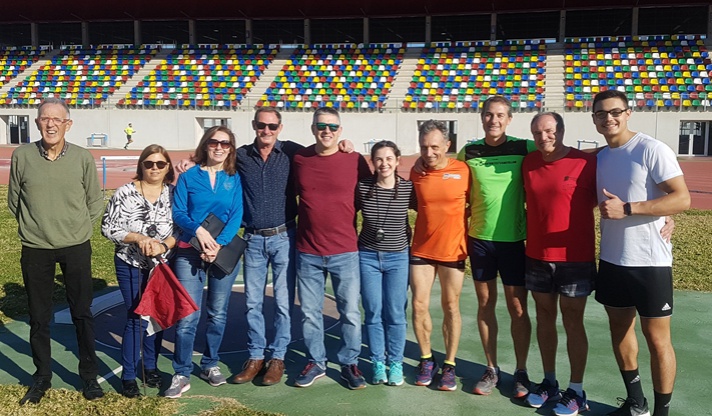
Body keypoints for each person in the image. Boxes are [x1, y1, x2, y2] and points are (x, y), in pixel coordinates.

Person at [592, 90, 690, 416]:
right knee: (619, 330)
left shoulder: (651, 149)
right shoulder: (600, 156)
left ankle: (661, 413)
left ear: (629, 112)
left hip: (650, 263)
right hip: (611, 259)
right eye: (602, 114)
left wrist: (631, 209)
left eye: (615, 112)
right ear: (594, 119)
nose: (609, 119)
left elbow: (682, 198)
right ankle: (637, 404)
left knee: (657, 340)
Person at [8, 97, 105, 404]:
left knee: (82, 313)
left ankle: (89, 376)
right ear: (37, 123)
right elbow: (14, 201)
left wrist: (74, 229)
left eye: (56, 119)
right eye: (44, 119)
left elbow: (94, 202)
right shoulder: (21, 155)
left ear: (67, 124)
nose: (50, 124)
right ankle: (42, 377)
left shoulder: (82, 157)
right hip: (35, 248)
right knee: (39, 317)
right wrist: (38, 227)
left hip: (76, 246)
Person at [459, 96, 536, 398]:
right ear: (482, 118)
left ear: (509, 119)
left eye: (500, 115)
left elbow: (560, 157)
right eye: (489, 115)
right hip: (480, 241)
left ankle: (521, 371)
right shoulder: (470, 151)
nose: (494, 120)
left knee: (518, 308)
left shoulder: (523, 148)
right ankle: (491, 368)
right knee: (485, 304)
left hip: (514, 242)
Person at [522, 112, 597, 415]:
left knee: (572, 321)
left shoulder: (585, 163)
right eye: (537, 133)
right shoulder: (528, 163)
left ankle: (576, 389)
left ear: (561, 131)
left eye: (549, 131)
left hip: (574, 258)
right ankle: (549, 381)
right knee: (544, 318)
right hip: (537, 256)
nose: (544, 137)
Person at [292, 107, 371, 390]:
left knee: (350, 311)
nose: (327, 131)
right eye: (321, 126)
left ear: (341, 130)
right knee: (311, 312)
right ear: (313, 129)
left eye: (333, 127)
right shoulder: (299, 158)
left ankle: (350, 362)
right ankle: (316, 361)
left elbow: (368, 196)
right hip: (308, 250)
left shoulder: (354, 160)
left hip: (345, 250)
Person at [165, 126, 244, 398]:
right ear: (205, 145)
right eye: (214, 142)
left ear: (231, 148)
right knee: (188, 316)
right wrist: (199, 231)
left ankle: (210, 364)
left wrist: (217, 244)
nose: (219, 147)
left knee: (217, 313)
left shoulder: (233, 178)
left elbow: (236, 215)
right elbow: (179, 211)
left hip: (219, 252)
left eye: (225, 143)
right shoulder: (189, 176)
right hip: (189, 250)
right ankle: (181, 371)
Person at [229, 108, 302, 386]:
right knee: (252, 303)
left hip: (284, 236)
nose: (267, 131)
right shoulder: (242, 155)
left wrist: (345, 147)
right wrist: (189, 164)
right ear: (254, 125)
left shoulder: (292, 152)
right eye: (262, 125)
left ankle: (278, 358)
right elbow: (214, 164)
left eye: (272, 126)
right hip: (254, 239)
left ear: (280, 128)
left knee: (283, 302)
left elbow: (321, 153)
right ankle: (255, 356)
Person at [101, 145, 177, 398]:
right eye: (149, 163)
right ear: (141, 165)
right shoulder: (125, 192)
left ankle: (151, 366)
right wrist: (137, 238)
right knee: (135, 317)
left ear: (168, 167)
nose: (154, 168)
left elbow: (182, 229)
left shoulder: (175, 194)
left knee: (157, 316)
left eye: (160, 164)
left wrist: (163, 245)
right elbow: (108, 227)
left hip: (161, 266)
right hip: (130, 263)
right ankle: (129, 376)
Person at [410, 120, 470, 391]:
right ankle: (426, 359)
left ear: (448, 145)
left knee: (450, 306)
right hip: (421, 249)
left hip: (453, 250)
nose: (429, 153)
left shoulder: (463, 170)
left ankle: (449, 364)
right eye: (424, 147)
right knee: (419, 305)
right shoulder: (416, 171)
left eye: (435, 147)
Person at [356, 140, 415, 387]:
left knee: (395, 312)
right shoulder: (361, 188)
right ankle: (378, 362)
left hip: (398, 257)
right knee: (373, 311)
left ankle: (396, 362)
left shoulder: (408, 189)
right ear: (372, 162)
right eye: (379, 159)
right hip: (367, 256)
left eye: (389, 158)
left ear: (398, 160)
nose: (384, 164)